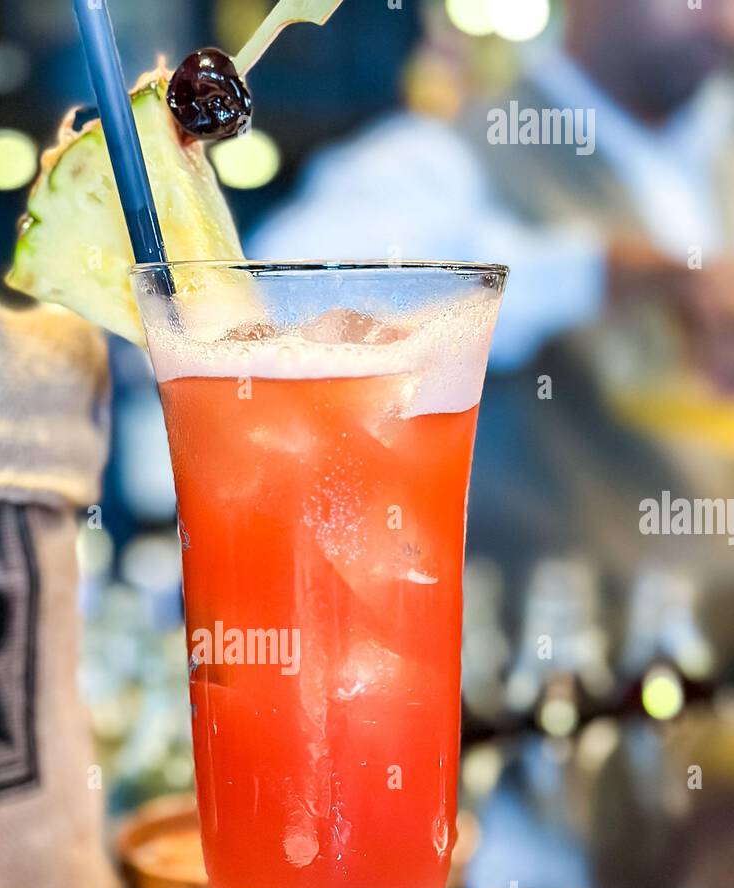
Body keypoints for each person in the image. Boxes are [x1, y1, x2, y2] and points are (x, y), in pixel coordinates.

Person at [252, 0, 734, 669]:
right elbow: (279, 304)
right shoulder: (447, 156)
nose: (718, 20)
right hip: (555, 696)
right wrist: (592, 271)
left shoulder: (719, 143)